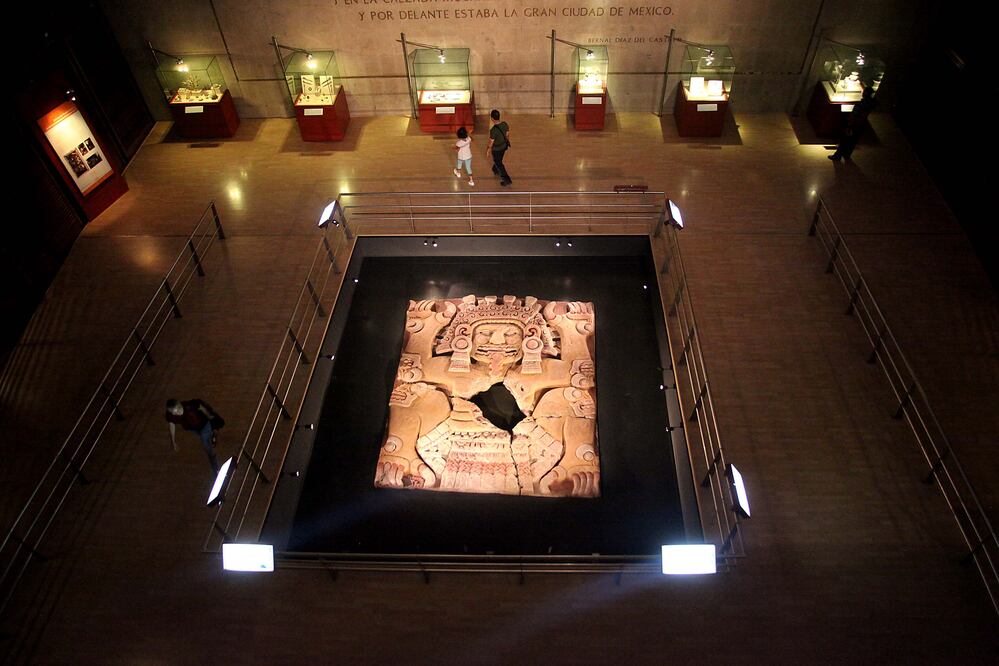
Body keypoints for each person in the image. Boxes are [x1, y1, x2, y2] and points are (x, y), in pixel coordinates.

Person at [165, 398, 222, 474]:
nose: (175, 414)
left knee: (208, 447)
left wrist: (209, 416)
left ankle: (216, 468)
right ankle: (213, 433)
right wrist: (173, 441)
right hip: (193, 428)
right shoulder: (171, 415)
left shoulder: (190, 406)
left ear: (180, 407)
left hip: (204, 425)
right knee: (205, 437)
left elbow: (201, 406)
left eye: (176, 412)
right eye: (172, 413)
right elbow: (171, 424)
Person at [829, 86, 877, 161]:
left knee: (845, 139)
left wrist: (850, 124)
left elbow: (857, 115)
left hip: (855, 124)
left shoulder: (863, 104)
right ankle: (846, 155)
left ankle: (838, 155)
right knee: (852, 141)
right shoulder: (870, 103)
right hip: (860, 125)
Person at [486, 109, 512, 186]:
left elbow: (491, 143)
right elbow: (507, 135)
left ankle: (506, 180)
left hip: (496, 149)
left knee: (499, 163)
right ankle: (495, 169)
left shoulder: (493, 130)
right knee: (499, 159)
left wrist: (488, 150)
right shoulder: (505, 124)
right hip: (504, 146)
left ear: (492, 118)